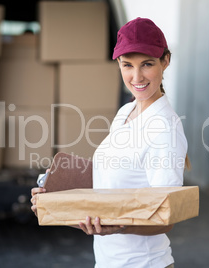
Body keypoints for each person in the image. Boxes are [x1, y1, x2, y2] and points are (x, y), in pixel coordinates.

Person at [31, 17, 189, 268]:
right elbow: (110, 181)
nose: (136, 76)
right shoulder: (125, 112)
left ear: (165, 61)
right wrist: (53, 195)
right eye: (127, 65)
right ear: (118, 64)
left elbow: (166, 218)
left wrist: (118, 226)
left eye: (147, 64)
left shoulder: (164, 129)